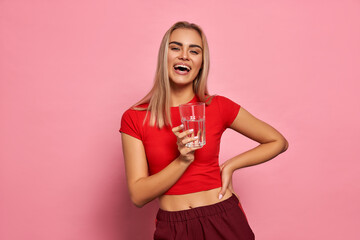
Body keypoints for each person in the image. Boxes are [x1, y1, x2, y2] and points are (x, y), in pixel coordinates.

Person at [119, 21, 288, 240]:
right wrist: (183, 159)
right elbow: (138, 196)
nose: (184, 56)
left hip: (223, 219)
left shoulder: (217, 106)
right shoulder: (134, 117)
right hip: (173, 228)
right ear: (164, 57)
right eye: (176, 47)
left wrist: (230, 166)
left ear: (201, 63)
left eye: (194, 51)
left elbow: (278, 141)